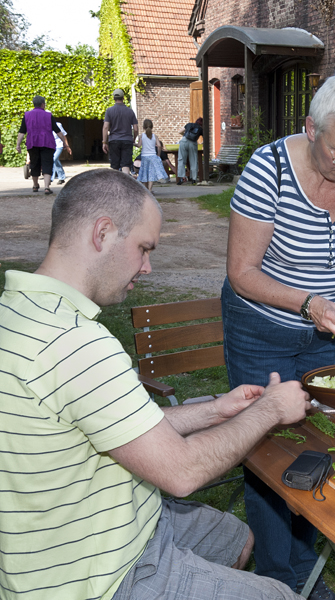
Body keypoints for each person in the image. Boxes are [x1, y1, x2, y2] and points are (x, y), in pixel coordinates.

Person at [0, 169, 311, 600]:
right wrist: (271, 410)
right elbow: (182, 472)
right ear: (103, 233)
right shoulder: (76, 344)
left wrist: (214, 410)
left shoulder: (17, 310)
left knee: (234, 539)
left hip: (107, 522)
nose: (147, 267)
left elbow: (108, 423)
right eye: (144, 248)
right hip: (98, 576)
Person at [223, 66, 335, 598]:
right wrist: (309, 303)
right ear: (311, 128)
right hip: (261, 327)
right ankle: (279, 579)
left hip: (329, 332)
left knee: (319, 444)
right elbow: (242, 273)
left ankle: (303, 564)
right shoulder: (268, 169)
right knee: (268, 446)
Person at [15, 95, 68, 195]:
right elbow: (57, 131)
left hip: (32, 143)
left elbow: (21, 132)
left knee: (34, 163)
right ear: (43, 104)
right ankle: (47, 187)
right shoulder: (48, 115)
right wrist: (64, 143)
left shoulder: (27, 115)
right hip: (47, 143)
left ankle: (35, 186)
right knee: (47, 163)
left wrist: (18, 145)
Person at [103, 88, 139, 175]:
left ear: (113, 98)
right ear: (123, 98)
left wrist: (104, 142)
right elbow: (136, 128)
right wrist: (133, 139)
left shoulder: (109, 111)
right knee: (125, 165)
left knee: (115, 166)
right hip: (127, 140)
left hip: (114, 140)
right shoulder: (130, 111)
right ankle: (125, 187)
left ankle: (115, 187)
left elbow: (105, 127)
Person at [136, 118, 170, 191]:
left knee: (145, 173)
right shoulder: (155, 136)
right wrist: (158, 154)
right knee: (151, 173)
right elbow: (159, 146)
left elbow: (139, 145)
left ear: (143, 127)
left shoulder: (141, 136)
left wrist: (133, 144)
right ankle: (150, 189)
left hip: (144, 157)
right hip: (153, 156)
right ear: (152, 127)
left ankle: (146, 190)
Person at [177, 117, 203, 184]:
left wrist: (185, 135)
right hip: (193, 143)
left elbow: (179, 131)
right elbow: (205, 138)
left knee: (181, 159)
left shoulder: (189, 124)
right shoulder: (201, 129)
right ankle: (194, 179)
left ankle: (181, 177)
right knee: (193, 161)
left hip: (184, 141)